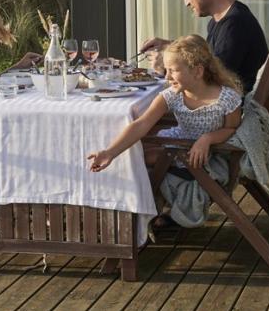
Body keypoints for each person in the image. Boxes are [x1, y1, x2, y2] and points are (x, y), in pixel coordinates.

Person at [87, 35, 243, 226]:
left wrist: (207, 139)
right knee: (131, 155)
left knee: (135, 160)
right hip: (178, 144)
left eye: (173, 71)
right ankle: (135, 213)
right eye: (167, 70)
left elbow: (232, 129)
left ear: (198, 71)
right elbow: (141, 124)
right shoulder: (173, 95)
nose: (167, 77)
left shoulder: (226, 98)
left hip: (205, 155)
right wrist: (109, 152)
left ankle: (138, 217)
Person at [140, 0, 269, 94]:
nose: (186, 2)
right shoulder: (223, 19)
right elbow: (206, 59)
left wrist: (168, 68)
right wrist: (170, 47)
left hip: (232, 111)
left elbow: (210, 80)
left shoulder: (235, 25)